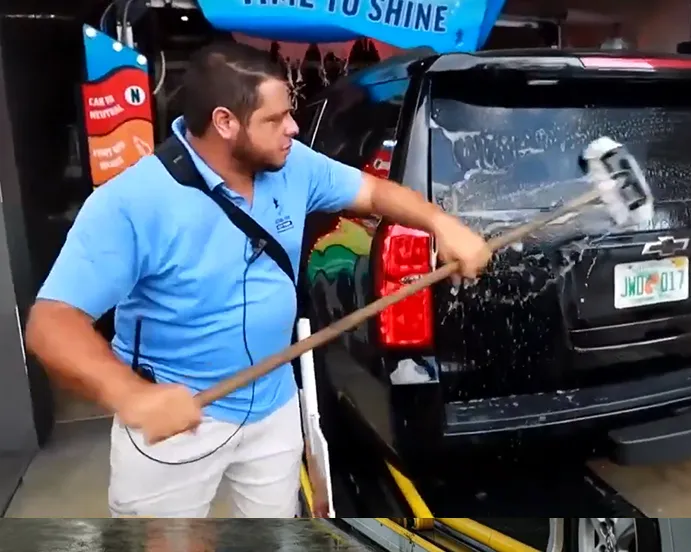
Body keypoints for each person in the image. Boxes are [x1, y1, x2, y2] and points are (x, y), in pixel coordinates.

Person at [24, 41, 492, 518]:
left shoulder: (294, 165)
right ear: (225, 122)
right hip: (179, 423)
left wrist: (441, 223)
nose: (292, 127)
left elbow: (372, 192)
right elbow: (51, 323)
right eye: (274, 119)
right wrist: (129, 395)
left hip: (275, 406)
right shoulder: (132, 202)